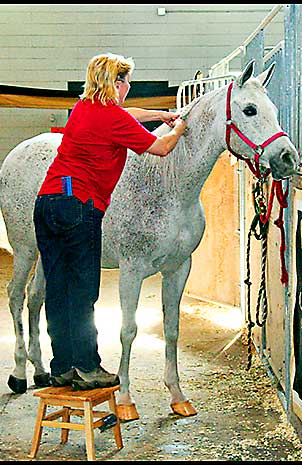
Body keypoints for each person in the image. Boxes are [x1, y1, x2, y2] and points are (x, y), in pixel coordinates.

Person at [33, 53, 188, 390]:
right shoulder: (112, 118)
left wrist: (158, 114)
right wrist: (179, 128)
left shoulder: (84, 108)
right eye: (126, 82)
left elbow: (126, 114)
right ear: (117, 84)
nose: (128, 88)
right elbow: (161, 148)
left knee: (57, 289)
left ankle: (61, 367)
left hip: (47, 202)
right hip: (79, 206)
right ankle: (88, 367)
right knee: (83, 290)